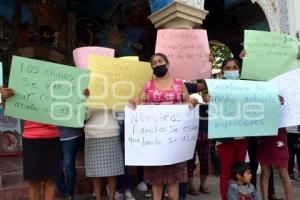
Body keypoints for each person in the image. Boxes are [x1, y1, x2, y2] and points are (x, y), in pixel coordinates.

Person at [129, 53, 195, 200]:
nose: (157, 64)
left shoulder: (179, 84)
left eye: (160, 61)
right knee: (156, 191)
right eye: (154, 63)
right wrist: (134, 103)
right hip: (155, 145)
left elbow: (187, 104)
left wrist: (192, 103)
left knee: (173, 194)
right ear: (151, 67)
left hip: (175, 143)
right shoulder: (147, 86)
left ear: (167, 63)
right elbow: (139, 106)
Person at [1, 87, 61, 200]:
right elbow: (9, 110)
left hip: (52, 137)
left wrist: (82, 97)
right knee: (34, 181)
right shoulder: (25, 80)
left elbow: (72, 103)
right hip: (31, 138)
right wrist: (4, 99)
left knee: (50, 180)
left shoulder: (57, 83)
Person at [204, 58, 248, 200]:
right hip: (225, 139)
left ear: (239, 69)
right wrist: (208, 99)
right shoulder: (217, 87)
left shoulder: (247, 87)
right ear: (223, 70)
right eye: (228, 68)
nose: (231, 70)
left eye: (234, 67)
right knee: (226, 173)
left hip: (242, 138)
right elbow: (212, 107)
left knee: (240, 173)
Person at [84, 107, 124, 200]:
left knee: (112, 171)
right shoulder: (86, 94)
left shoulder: (114, 93)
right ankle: (99, 198)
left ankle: (111, 197)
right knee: (95, 172)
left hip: (111, 131)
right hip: (93, 133)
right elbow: (83, 117)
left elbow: (120, 112)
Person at [256, 127, 292, 200]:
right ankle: (265, 198)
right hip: (265, 136)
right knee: (265, 172)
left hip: (279, 136)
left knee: (283, 173)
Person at [56, 127, 83, 200]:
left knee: (68, 164)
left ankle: (69, 193)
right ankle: (62, 193)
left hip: (71, 135)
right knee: (56, 166)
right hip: (53, 136)